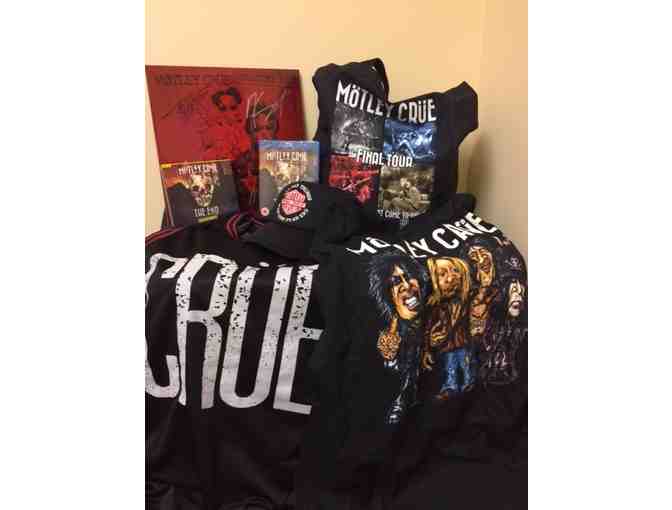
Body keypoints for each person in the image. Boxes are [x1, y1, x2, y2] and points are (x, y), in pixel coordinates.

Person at [368, 252, 430, 424]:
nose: (406, 285)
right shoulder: (391, 337)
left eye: (408, 276)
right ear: (388, 297)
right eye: (395, 282)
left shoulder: (439, 318)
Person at [422, 257, 476, 398]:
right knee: (450, 367)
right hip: (447, 346)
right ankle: (450, 387)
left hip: (463, 343)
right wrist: (427, 349)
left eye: (455, 271)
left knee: (465, 365)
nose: (451, 278)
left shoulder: (467, 301)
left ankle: (468, 383)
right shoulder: (436, 308)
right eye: (442, 274)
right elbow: (427, 329)